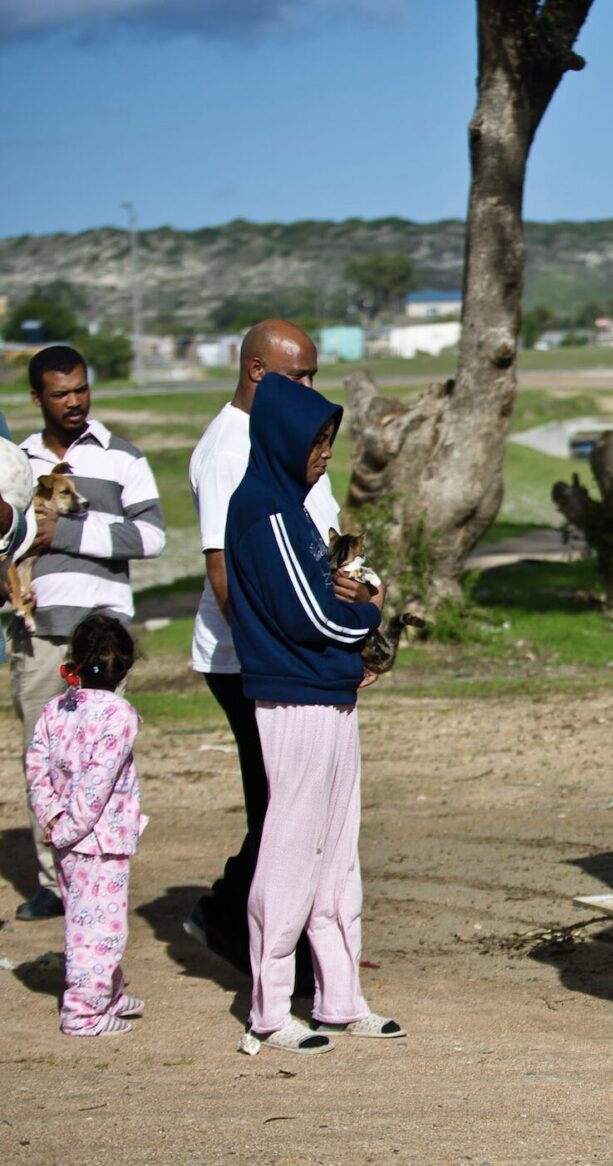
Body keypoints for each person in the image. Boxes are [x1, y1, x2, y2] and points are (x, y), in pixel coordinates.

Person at [225, 373, 399, 1055]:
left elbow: (329, 594)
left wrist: (352, 606)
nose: (324, 453)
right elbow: (315, 612)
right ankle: (270, 1009)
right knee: (292, 851)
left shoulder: (292, 508)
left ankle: (340, 996)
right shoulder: (264, 507)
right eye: (315, 441)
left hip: (329, 693)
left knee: (337, 853)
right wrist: (367, 611)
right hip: (294, 698)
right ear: (281, 439)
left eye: (330, 440)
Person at [182, 321, 336, 988]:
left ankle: (260, 924)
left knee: (299, 800)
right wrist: (285, 650)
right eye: (297, 377)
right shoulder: (226, 450)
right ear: (255, 374)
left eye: (313, 374)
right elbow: (226, 574)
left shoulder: (290, 430)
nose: (310, 388)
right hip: (250, 659)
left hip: (302, 647)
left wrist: (353, 610)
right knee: (281, 807)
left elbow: (327, 532)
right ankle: (246, 931)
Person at [10, 346, 165, 922]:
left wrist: (67, 532)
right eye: (59, 393)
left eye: (80, 388)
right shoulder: (15, 462)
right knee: (43, 758)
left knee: (103, 758)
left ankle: (101, 869)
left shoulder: (123, 457)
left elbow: (152, 538)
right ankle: (54, 881)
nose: (74, 401)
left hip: (101, 635)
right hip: (38, 633)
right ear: (36, 399)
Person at [25, 613, 145, 1035]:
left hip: (68, 838)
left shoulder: (56, 709)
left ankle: (107, 994)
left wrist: (53, 817)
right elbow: (98, 783)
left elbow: (35, 765)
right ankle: (83, 1012)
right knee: (100, 932)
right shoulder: (119, 715)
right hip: (98, 841)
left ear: (74, 661)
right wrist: (70, 826)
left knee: (88, 919)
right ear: (126, 667)